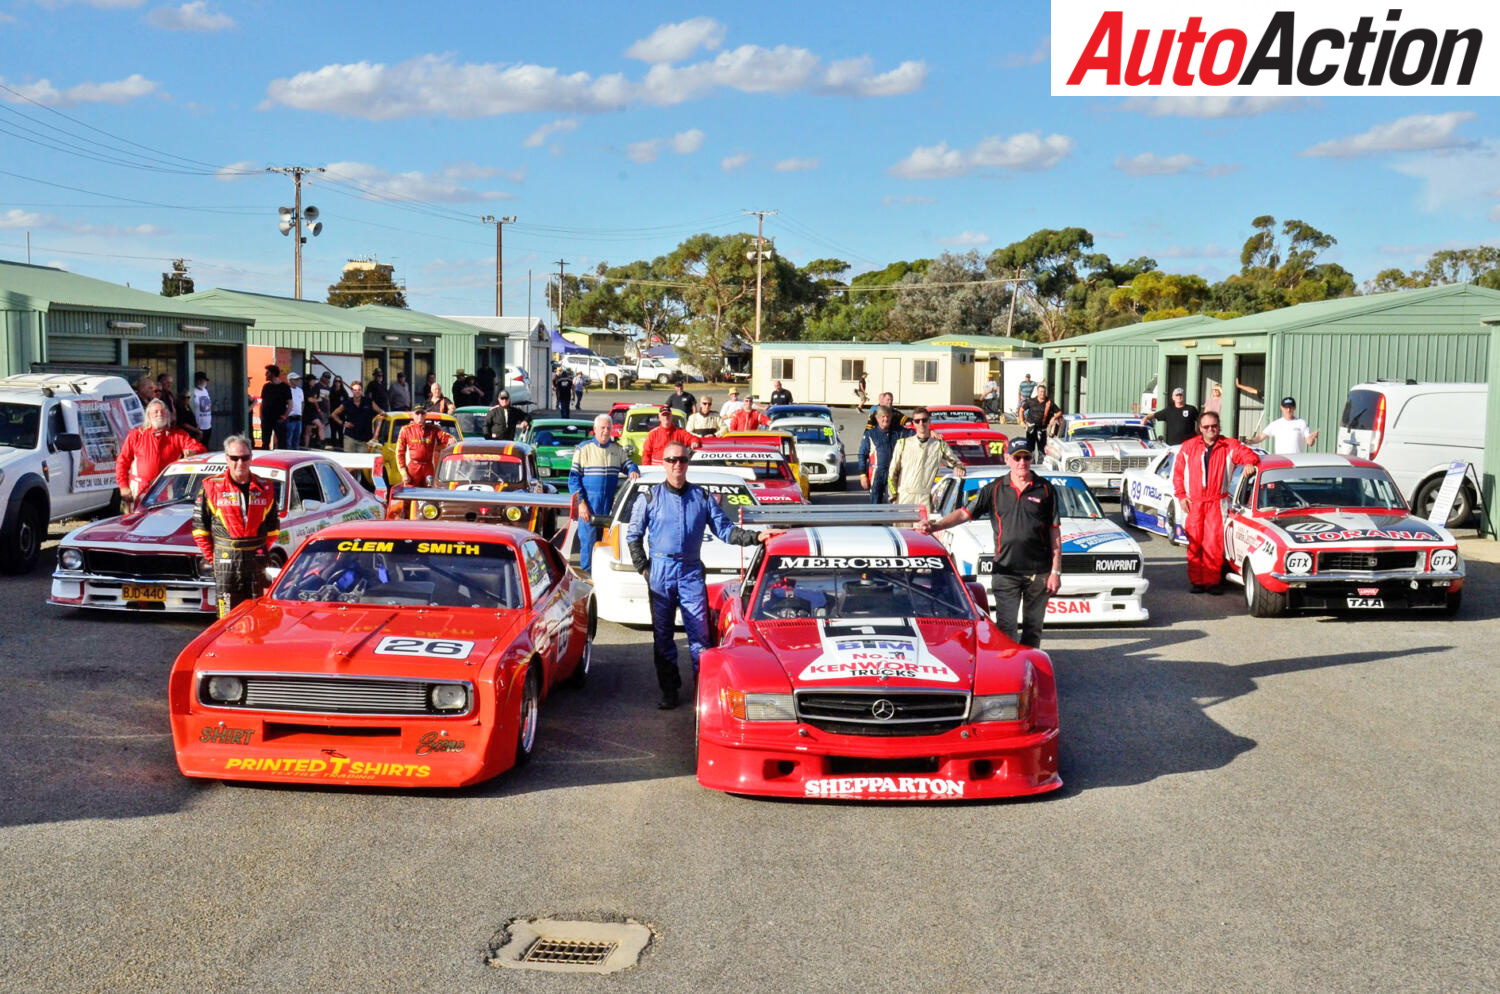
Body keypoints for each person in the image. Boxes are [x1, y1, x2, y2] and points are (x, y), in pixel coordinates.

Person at [627, 440, 781, 709]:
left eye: (682, 460)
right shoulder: (649, 498)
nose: (677, 465)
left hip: (690, 573)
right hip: (660, 573)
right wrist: (644, 567)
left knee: (699, 637)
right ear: (663, 464)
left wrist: (756, 536)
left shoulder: (702, 497)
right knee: (663, 637)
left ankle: (704, 691)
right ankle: (670, 691)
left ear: (688, 464)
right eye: (672, 460)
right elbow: (633, 536)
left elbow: (726, 530)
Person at [921, 436, 1061, 648]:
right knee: (1006, 629)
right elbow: (963, 514)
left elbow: (1055, 534)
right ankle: (1010, 673)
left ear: (1032, 459)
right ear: (1007, 459)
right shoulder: (994, 489)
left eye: (1026, 457)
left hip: (1039, 574)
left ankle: (1031, 671)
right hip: (1006, 573)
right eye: (1017, 458)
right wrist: (935, 526)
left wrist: (1055, 572)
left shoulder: (1046, 489)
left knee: (1033, 629)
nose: (1021, 462)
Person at [192, 435, 280, 617]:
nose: (240, 462)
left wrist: (259, 551)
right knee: (226, 618)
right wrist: (215, 559)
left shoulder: (266, 487)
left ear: (251, 458)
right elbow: (200, 530)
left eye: (245, 458)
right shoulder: (211, 487)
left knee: (258, 615)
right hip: (225, 562)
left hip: (257, 562)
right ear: (227, 459)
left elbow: (273, 530)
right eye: (234, 458)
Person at [1173, 410, 1260, 594]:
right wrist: (1181, 496)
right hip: (1193, 502)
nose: (1211, 429)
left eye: (1214, 426)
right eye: (1206, 427)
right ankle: (1197, 581)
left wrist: (1249, 463)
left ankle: (1212, 582)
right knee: (1195, 542)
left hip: (1217, 502)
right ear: (1200, 428)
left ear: (1219, 426)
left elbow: (1249, 455)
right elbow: (1178, 474)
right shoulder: (1188, 447)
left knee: (1213, 543)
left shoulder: (1229, 445)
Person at [569, 414, 640, 572]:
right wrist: (581, 504)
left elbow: (629, 464)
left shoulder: (617, 450)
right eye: (602, 428)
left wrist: (633, 470)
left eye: (608, 428)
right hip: (589, 507)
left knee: (606, 548)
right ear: (595, 430)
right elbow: (573, 480)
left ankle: (602, 579)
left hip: (609, 509)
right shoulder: (583, 449)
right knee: (588, 545)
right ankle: (587, 583)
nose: (605, 431)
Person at [115, 399, 206, 511]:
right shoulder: (136, 435)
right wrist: (123, 486)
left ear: (168, 415)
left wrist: (193, 452)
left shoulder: (177, 435)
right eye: (156, 411)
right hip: (138, 490)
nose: (160, 414)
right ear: (148, 415)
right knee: (135, 523)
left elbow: (201, 449)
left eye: (163, 411)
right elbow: (122, 462)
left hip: (166, 490)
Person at [887, 406, 964, 507]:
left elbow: (956, 463)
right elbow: (892, 473)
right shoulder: (903, 444)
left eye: (924, 420)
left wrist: (958, 468)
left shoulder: (939, 445)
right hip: (904, 497)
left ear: (929, 422)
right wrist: (893, 497)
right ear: (913, 423)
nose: (921, 424)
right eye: (917, 421)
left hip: (925, 499)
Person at [857, 405, 910, 505]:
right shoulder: (870, 434)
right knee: (875, 505)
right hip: (876, 475)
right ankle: (875, 521)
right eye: (883, 416)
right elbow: (862, 455)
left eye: (888, 416)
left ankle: (893, 521)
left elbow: (916, 434)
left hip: (892, 474)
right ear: (877, 418)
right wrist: (862, 475)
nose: (885, 419)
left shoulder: (898, 432)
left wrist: (930, 431)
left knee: (894, 503)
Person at [396, 404, 456, 486]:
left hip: (428, 468)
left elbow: (446, 437)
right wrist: (404, 473)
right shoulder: (406, 430)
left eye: (422, 414)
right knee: (410, 495)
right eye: (417, 414)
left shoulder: (433, 429)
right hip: (412, 468)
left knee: (429, 495)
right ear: (413, 415)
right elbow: (400, 452)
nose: (420, 416)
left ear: (425, 415)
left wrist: (451, 439)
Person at [1250, 396, 1319, 454]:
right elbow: (1261, 437)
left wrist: (1312, 437)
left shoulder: (1302, 423)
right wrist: (1248, 441)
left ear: (1294, 408)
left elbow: (1310, 443)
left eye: (1290, 407)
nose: (1288, 410)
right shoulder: (1275, 424)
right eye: (1286, 407)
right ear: (1281, 408)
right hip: (1281, 462)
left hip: (1297, 462)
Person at [331, 379, 383, 452]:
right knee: (348, 461)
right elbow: (334, 414)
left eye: (359, 389)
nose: (357, 391)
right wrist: (343, 423)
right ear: (352, 390)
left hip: (365, 439)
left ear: (362, 390)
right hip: (350, 438)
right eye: (355, 390)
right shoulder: (347, 402)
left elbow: (381, 413)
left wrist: (376, 434)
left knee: (361, 462)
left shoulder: (368, 401)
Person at [1021, 384, 1062, 457]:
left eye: (1044, 392)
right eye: (1040, 392)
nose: (1042, 393)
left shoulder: (1049, 402)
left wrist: (1054, 418)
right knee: (1030, 449)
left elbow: (1059, 412)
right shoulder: (1031, 401)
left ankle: (1041, 465)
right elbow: (1021, 410)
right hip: (1031, 428)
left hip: (1042, 429)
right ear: (1037, 392)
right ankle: (1031, 464)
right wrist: (1022, 421)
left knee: (1042, 450)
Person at [258, 365, 292, 450]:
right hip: (266, 419)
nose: (266, 374)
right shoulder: (266, 387)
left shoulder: (284, 387)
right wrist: (261, 416)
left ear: (273, 374)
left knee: (282, 443)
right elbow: (263, 403)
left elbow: (290, 404)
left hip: (279, 419)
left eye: (267, 372)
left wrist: (285, 416)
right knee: (265, 442)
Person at [190, 372, 214, 449]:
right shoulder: (193, 391)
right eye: (201, 380)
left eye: (204, 380)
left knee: (206, 447)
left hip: (208, 426)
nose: (203, 382)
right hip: (198, 427)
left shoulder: (205, 390)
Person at [326, 376, 350, 445]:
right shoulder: (331, 390)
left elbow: (347, 403)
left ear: (341, 382)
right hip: (332, 414)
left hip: (341, 415)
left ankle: (341, 447)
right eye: (336, 381)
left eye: (339, 381)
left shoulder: (344, 391)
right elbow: (328, 402)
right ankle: (333, 446)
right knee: (333, 431)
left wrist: (346, 413)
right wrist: (329, 412)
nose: (337, 383)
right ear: (334, 382)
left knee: (340, 431)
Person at [285, 372, 304, 451]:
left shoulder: (300, 390)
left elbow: (302, 402)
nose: (298, 381)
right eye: (295, 379)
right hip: (290, 417)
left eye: (298, 379)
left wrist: (301, 412)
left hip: (298, 417)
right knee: (289, 437)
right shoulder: (286, 390)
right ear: (290, 380)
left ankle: (295, 452)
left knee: (297, 438)